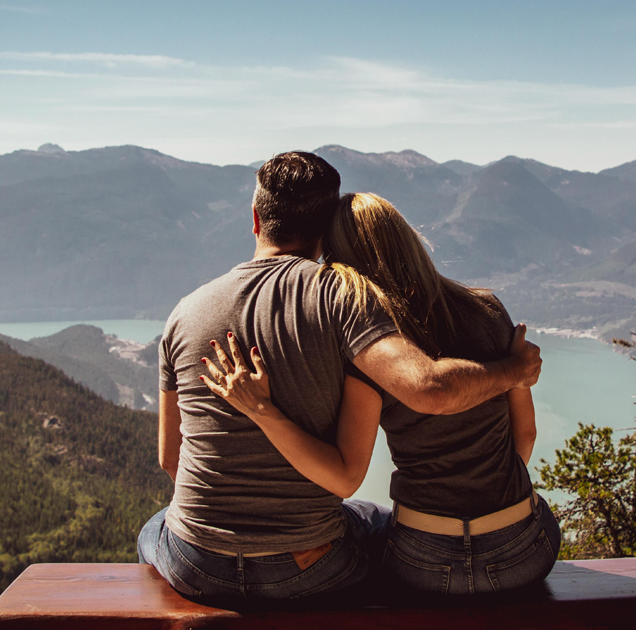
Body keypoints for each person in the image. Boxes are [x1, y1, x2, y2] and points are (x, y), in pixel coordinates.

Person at [137, 153, 543, 604]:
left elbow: (172, 461)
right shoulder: (343, 299)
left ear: (255, 219)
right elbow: (428, 392)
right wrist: (514, 371)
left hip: (197, 563)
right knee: (368, 518)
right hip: (310, 566)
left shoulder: (183, 313)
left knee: (155, 528)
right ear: (326, 228)